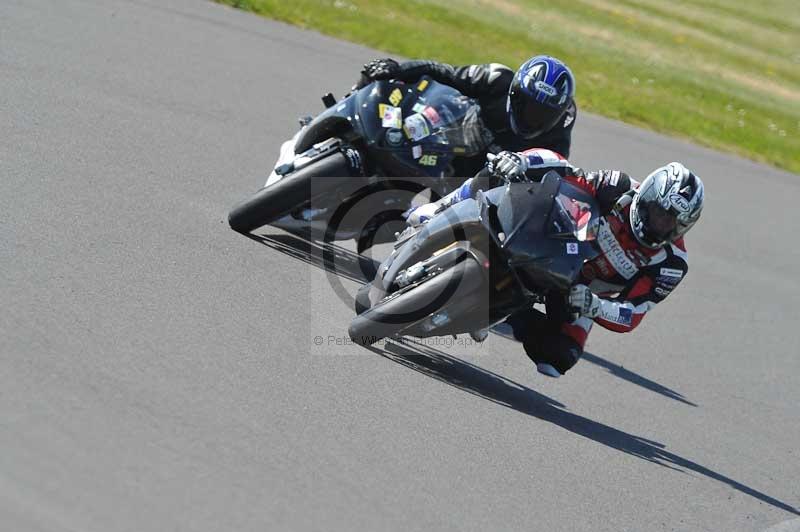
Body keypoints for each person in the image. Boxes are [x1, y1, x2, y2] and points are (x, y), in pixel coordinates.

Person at [407, 149, 705, 378]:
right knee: (499, 171)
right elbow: (565, 169)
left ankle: (496, 313)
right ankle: (444, 208)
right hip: (558, 246)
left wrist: (595, 305)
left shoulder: (671, 264)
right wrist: (522, 161)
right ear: (648, 195)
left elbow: (633, 313)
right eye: (658, 212)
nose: (661, 223)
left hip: (580, 292)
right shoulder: (618, 187)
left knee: (558, 358)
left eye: (672, 222)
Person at [356, 56, 577, 174]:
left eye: (543, 113)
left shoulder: (558, 134)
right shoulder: (496, 78)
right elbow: (441, 71)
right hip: (451, 136)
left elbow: (554, 173)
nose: (533, 117)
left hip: (483, 178)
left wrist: (524, 167)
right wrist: (397, 69)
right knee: (382, 83)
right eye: (528, 106)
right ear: (514, 93)